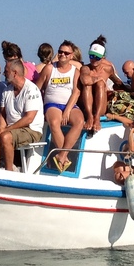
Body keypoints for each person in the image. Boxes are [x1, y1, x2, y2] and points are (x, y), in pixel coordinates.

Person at [37, 41, 85, 172]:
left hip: (69, 104)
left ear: (71, 56)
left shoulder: (75, 71)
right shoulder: (49, 68)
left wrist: (67, 111)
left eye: (66, 53)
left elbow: (76, 92)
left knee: (79, 121)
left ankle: (62, 155)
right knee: (54, 121)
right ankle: (65, 157)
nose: (63, 54)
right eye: (60, 52)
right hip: (52, 103)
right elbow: (37, 88)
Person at [0, 60, 45, 171]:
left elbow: (29, 118)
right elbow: (2, 114)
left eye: (6, 71)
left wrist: (7, 129)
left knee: (5, 136)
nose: (4, 74)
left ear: (14, 73)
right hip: (11, 128)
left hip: (31, 130)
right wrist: (1, 127)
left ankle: (9, 171)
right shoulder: (6, 90)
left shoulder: (31, 90)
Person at [79, 35, 120, 134]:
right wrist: (98, 78)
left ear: (103, 57)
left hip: (100, 108)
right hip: (87, 108)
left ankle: (96, 117)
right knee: (90, 84)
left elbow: (118, 82)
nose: (93, 60)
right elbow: (85, 80)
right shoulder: (86, 68)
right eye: (91, 56)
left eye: (97, 57)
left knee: (101, 84)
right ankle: (90, 116)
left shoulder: (108, 69)